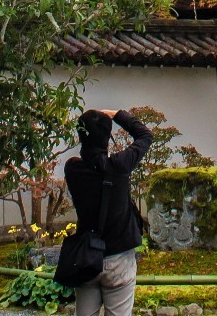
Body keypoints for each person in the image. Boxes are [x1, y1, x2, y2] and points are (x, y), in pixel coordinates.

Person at [63, 108, 153, 316]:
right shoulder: (119, 166)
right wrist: (119, 115)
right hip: (119, 258)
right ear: (106, 138)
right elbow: (145, 135)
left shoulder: (72, 169)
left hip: (86, 256)